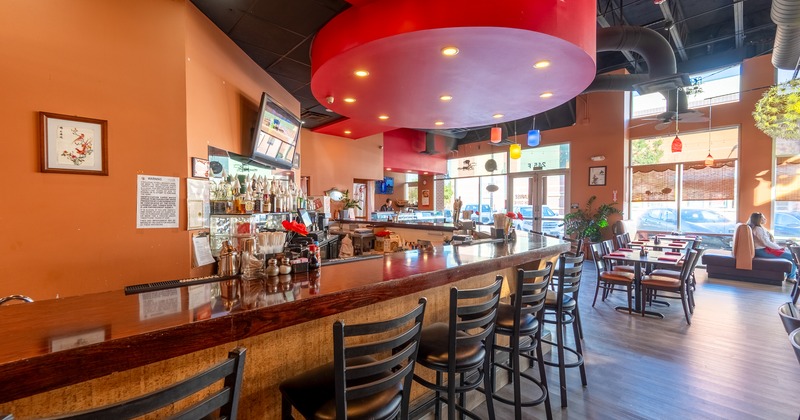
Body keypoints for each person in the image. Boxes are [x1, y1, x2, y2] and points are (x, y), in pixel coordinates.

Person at [748, 212, 797, 281]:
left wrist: (779, 247)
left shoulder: (760, 228)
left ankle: (791, 275)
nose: (765, 219)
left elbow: (768, 241)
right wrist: (779, 248)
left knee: (791, 254)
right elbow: (766, 242)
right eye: (763, 218)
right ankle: (791, 277)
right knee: (793, 257)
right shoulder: (757, 229)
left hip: (764, 249)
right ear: (759, 219)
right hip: (761, 251)